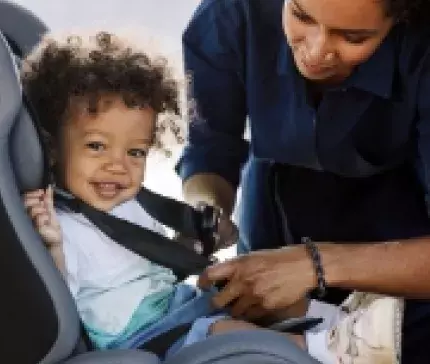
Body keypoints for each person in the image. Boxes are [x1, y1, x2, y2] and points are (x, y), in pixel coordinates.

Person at [178, 0, 430, 362]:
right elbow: (210, 147)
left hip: (401, 255)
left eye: (353, 37)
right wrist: (206, 212)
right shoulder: (231, 13)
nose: (315, 50)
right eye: (301, 16)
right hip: (271, 228)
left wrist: (317, 265)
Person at [19, 30, 272, 359]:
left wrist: (197, 240)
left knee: (275, 297)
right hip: (143, 334)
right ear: (52, 147)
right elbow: (58, 310)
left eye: (136, 152)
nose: (118, 166)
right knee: (245, 337)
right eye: (96, 147)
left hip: (177, 306)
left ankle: (337, 335)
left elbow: (155, 268)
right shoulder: (63, 228)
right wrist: (51, 248)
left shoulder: (129, 204)